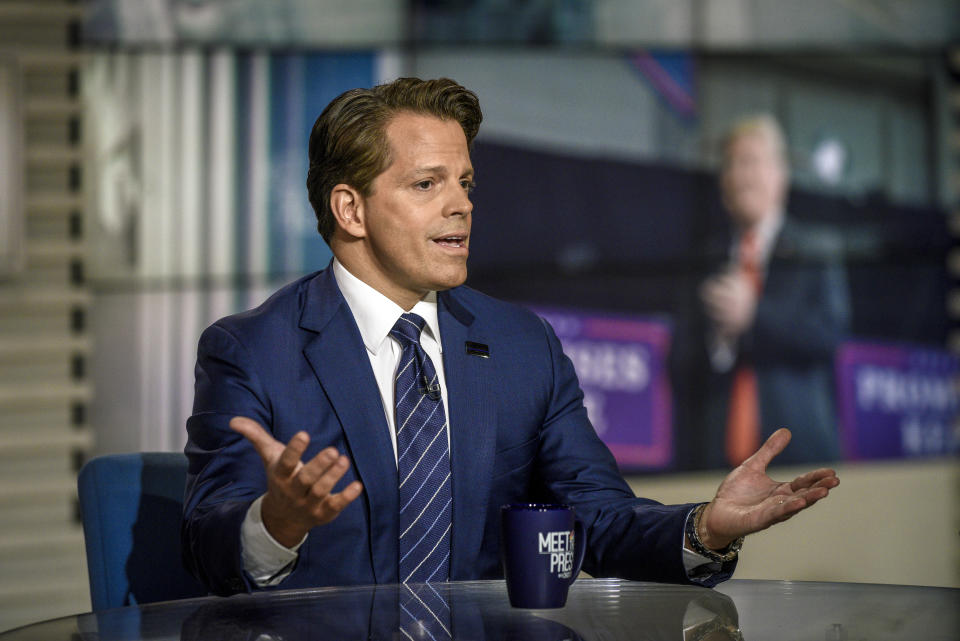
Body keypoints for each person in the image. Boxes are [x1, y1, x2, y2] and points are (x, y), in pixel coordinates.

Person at [182, 79, 839, 596]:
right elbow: (207, 549)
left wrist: (703, 528)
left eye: (465, 183)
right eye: (427, 184)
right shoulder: (252, 352)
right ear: (351, 208)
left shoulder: (523, 345)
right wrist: (278, 521)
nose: (462, 205)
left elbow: (600, 519)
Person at [672, 115, 850, 470]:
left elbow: (829, 334)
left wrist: (755, 315)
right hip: (715, 463)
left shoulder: (817, 250)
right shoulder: (705, 260)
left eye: (751, 161)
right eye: (732, 164)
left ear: (780, 173)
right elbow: (677, 363)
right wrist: (719, 341)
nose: (740, 175)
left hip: (798, 459)